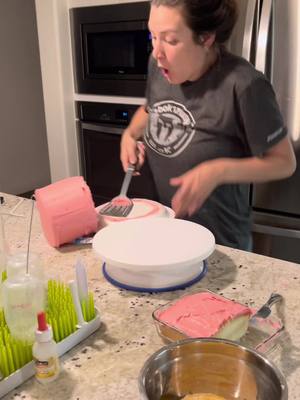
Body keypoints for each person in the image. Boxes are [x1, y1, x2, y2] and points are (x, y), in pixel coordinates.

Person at [120, 0, 296, 250]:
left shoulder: (244, 86)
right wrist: (130, 135)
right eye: (153, 36)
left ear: (206, 38)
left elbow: (284, 163)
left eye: (170, 40)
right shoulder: (160, 67)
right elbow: (151, 107)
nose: (156, 52)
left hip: (221, 245)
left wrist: (217, 171)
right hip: (168, 232)